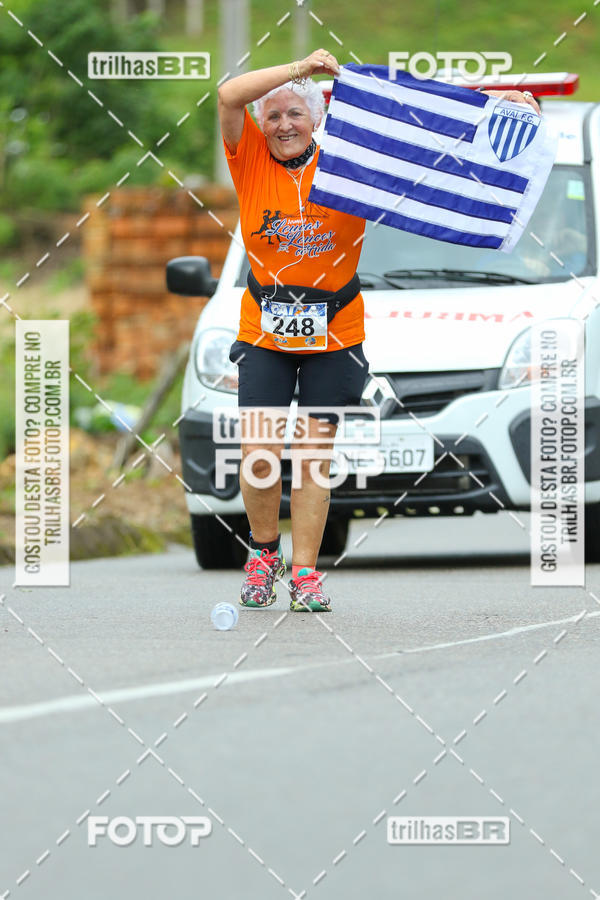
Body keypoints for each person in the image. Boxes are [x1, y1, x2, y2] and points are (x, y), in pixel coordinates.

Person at [217, 49, 540, 613]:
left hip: (335, 330)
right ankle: (264, 552)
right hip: (265, 330)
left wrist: (493, 109)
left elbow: (420, 130)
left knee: (315, 457)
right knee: (261, 454)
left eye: (296, 114)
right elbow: (227, 95)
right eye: (273, 117)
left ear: (316, 120)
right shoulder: (249, 159)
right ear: (260, 127)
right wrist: (300, 71)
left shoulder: (351, 158)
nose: (285, 125)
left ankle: (307, 574)